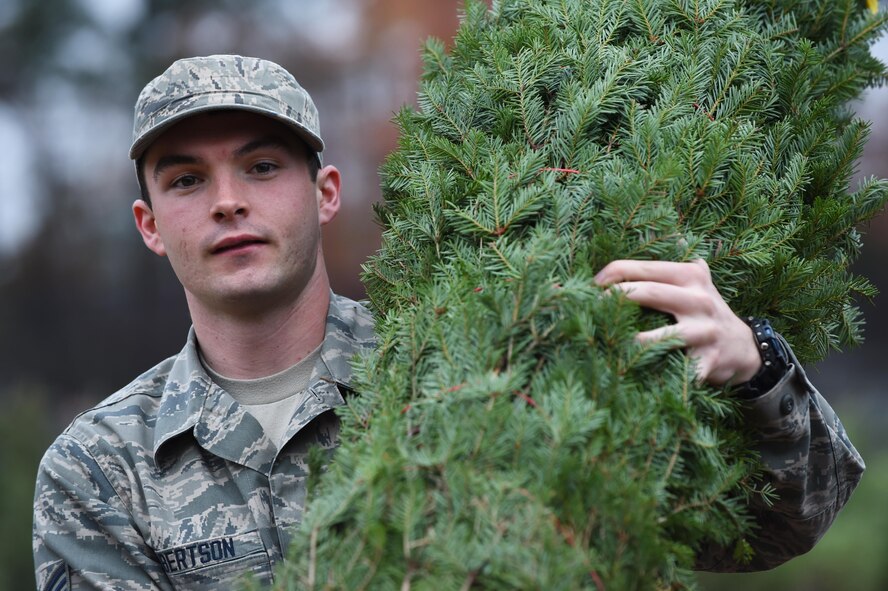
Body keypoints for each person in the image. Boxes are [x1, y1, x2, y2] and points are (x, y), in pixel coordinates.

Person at [32, 54, 863, 590]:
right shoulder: (98, 470)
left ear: (325, 194)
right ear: (149, 224)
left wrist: (755, 371)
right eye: (185, 180)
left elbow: (776, 527)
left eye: (261, 164)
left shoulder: (486, 367)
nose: (227, 200)